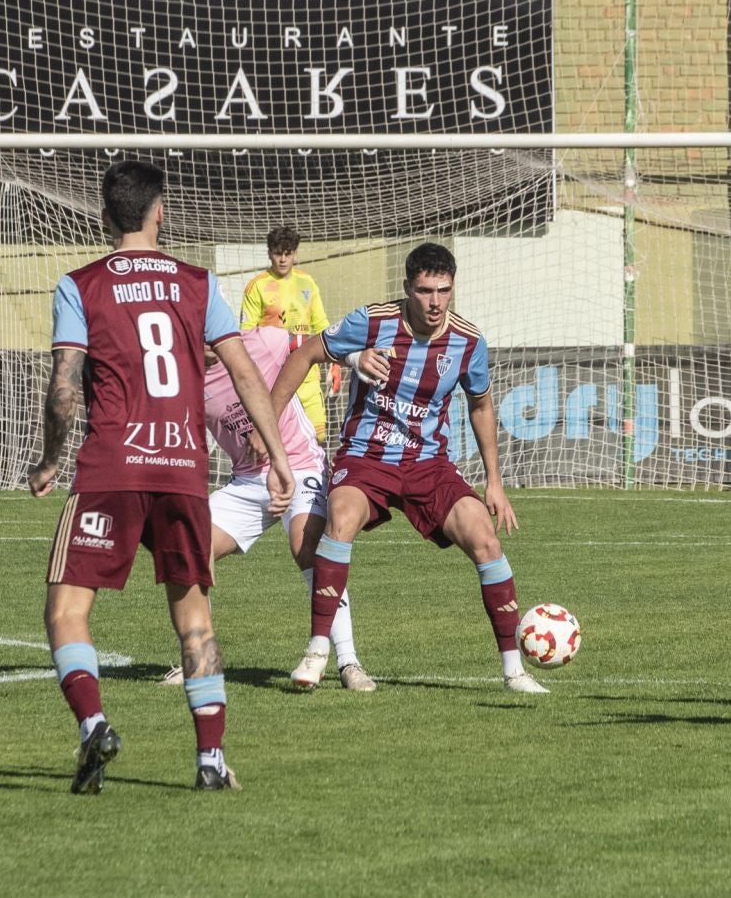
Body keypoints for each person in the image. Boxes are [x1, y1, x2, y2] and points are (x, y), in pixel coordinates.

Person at [27, 159, 292, 795]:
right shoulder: (198, 283)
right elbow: (247, 374)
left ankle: (93, 721)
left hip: (113, 466)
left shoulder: (81, 284)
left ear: (103, 214)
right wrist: (278, 456)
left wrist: (50, 456)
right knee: (194, 618)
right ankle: (210, 759)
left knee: (66, 610)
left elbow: (65, 386)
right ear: (160, 210)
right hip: (181, 468)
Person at [272, 242, 542, 693]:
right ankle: (318, 650)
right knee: (340, 521)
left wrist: (494, 481)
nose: (435, 302)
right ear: (407, 288)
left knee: (485, 537)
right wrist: (268, 429)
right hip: (366, 456)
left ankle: (515, 671)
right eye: (424, 291)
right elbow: (304, 356)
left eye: (443, 290)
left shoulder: (468, 341)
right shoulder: (373, 321)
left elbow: (480, 404)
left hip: (428, 464)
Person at [176, 325, 372, 692]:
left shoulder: (261, 341)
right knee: (189, 548)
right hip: (248, 482)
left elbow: (317, 344)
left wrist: (353, 357)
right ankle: (200, 657)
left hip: (300, 465)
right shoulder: (186, 382)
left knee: (307, 546)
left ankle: (348, 662)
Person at [242, 225, 330, 440]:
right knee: (280, 441)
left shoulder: (307, 283)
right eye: (277, 253)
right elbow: (246, 334)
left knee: (317, 437)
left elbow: (321, 325)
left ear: (295, 254)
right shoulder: (257, 286)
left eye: (287, 253)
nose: (282, 259)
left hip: (307, 374)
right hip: (275, 377)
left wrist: (334, 363)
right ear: (269, 253)